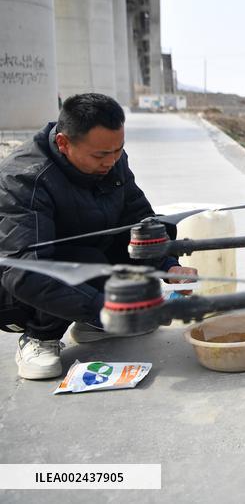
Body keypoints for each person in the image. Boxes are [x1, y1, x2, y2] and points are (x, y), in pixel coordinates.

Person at [0, 93, 197, 380]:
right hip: (18, 288)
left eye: (118, 150)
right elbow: (24, 269)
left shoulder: (111, 159)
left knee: (142, 237)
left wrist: (168, 265)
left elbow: (137, 216)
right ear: (63, 143)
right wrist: (102, 305)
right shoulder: (23, 179)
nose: (112, 160)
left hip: (85, 257)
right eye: (101, 155)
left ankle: (95, 325)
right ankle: (39, 336)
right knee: (76, 260)